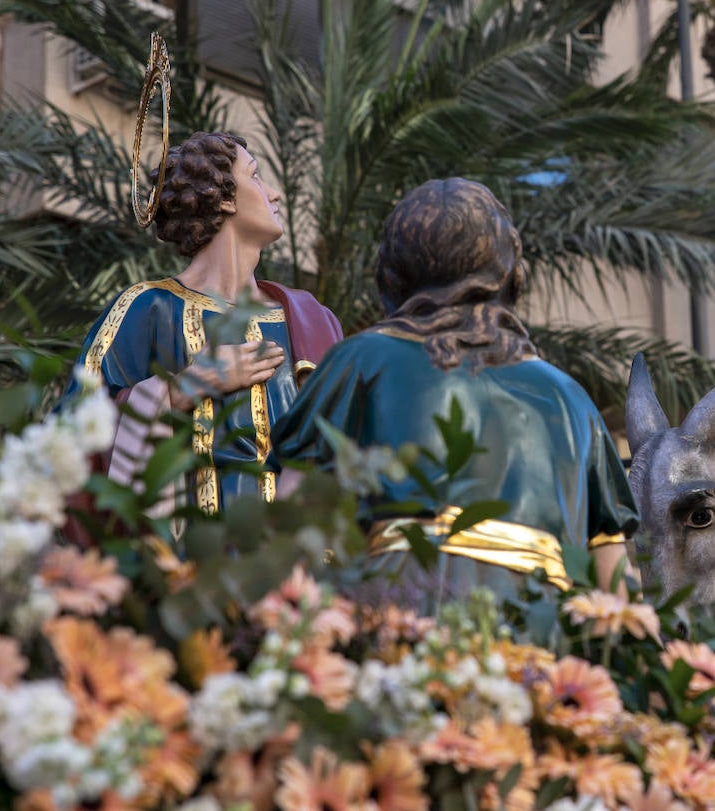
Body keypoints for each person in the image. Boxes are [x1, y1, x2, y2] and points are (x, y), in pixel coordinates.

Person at [271, 178, 638, 595]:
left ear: (394, 272)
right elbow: (615, 587)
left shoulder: (358, 361)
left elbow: (292, 526)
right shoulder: (569, 397)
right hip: (540, 638)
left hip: (399, 621)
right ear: (508, 271)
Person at [67, 129, 341, 513]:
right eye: (256, 176)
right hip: (193, 558)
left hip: (298, 559)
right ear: (224, 197)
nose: (275, 194)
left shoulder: (313, 321)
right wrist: (183, 389)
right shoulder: (150, 310)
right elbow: (74, 435)